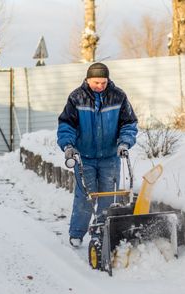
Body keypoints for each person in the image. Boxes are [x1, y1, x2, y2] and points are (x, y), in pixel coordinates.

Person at [57, 62, 138, 247]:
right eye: (96, 82)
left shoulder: (118, 96)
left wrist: (124, 142)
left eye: (103, 82)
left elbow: (129, 123)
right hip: (83, 157)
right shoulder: (76, 98)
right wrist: (68, 146)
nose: (100, 86)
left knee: (109, 197)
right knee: (86, 195)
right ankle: (77, 233)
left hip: (110, 157)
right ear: (87, 79)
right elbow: (66, 125)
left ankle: (103, 231)